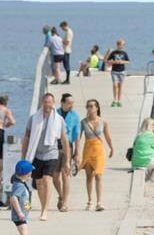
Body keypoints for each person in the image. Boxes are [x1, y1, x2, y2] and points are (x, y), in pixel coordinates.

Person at [21, 92, 70, 221]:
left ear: (53, 104)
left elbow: (65, 141)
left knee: (47, 179)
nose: (47, 104)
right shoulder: (33, 119)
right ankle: (44, 206)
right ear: (42, 103)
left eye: (50, 102)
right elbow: (26, 138)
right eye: (45, 102)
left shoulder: (59, 120)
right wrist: (23, 158)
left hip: (51, 154)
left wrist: (67, 161)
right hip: (36, 154)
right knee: (39, 182)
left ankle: (45, 210)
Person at [76, 99, 114, 211]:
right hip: (88, 149)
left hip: (99, 150)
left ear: (97, 108)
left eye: (92, 106)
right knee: (89, 176)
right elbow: (78, 138)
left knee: (98, 175)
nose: (90, 108)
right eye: (88, 106)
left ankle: (99, 202)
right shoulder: (83, 122)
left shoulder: (103, 122)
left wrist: (112, 148)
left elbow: (107, 136)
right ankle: (89, 201)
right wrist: (76, 153)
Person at [57, 93, 80, 213]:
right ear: (62, 103)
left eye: (72, 103)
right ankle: (61, 195)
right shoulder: (55, 113)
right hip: (54, 147)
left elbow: (77, 135)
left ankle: (65, 202)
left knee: (65, 174)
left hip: (68, 147)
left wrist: (77, 152)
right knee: (55, 176)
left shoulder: (75, 116)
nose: (71, 105)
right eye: (69, 103)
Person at [10, 159, 34, 235]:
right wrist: (19, 212)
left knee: (24, 233)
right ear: (27, 174)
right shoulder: (19, 186)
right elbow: (14, 198)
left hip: (21, 215)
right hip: (18, 216)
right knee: (25, 234)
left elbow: (24, 198)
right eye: (30, 173)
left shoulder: (20, 183)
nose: (31, 174)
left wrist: (28, 207)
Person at [105, 39, 130, 107]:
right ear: (117, 45)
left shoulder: (124, 53)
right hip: (114, 71)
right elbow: (107, 60)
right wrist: (113, 62)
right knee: (115, 85)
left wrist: (122, 62)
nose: (121, 46)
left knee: (120, 86)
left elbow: (128, 61)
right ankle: (115, 100)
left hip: (122, 71)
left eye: (123, 45)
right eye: (120, 45)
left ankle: (119, 101)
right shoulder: (113, 53)